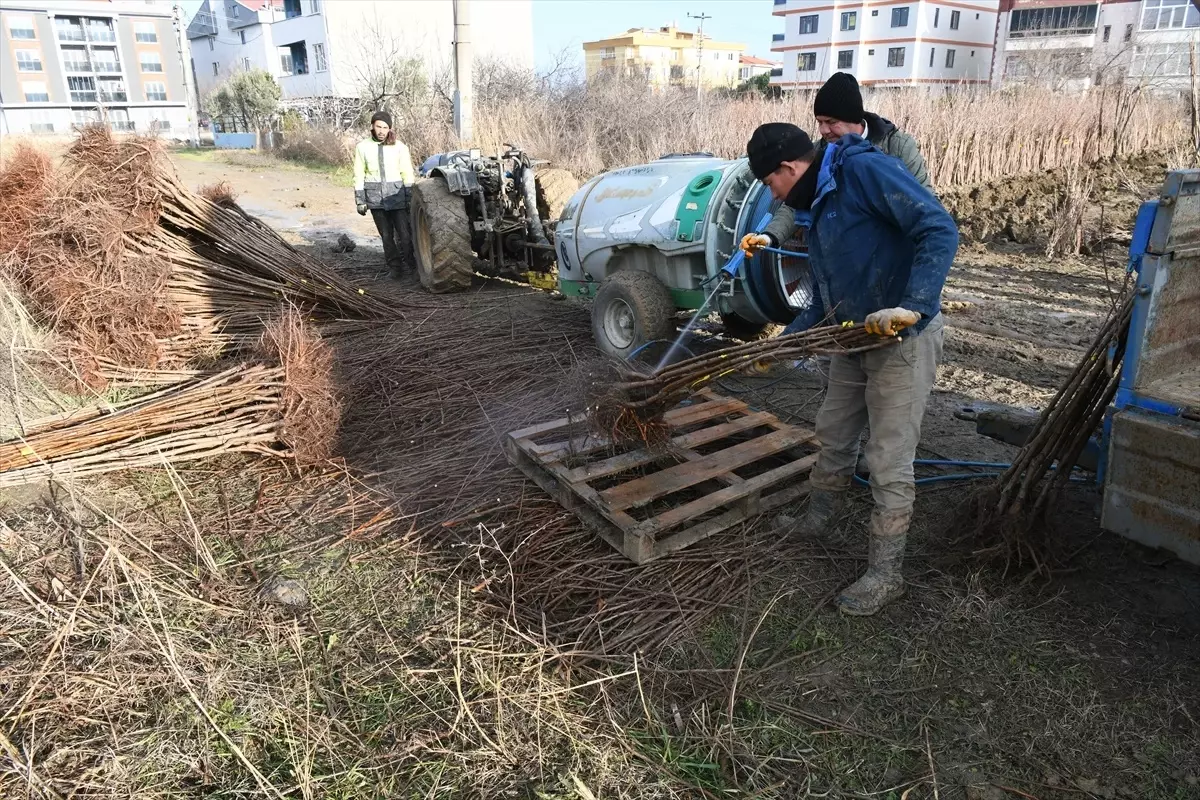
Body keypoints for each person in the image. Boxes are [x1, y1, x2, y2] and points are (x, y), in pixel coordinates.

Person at [744, 122, 958, 616]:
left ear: (788, 168)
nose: (772, 195)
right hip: (852, 334)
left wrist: (914, 305)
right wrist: (786, 342)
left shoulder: (865, 171)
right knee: (834, 431)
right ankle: (818, 515)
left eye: (769, 183)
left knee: (888, 457)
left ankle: (886, 574)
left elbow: (938, 227)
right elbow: (824, 290)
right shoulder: (816, 198)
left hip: (901, 335)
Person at [741, 71, 931, 259]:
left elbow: (925, 204)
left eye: (831, 122)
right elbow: (795, 201)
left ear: (853, 119)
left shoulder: (897, 147)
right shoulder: (818, 152)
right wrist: (770, 237)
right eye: (819, 122)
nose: (824, 130)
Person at [353, 111, 416, 278]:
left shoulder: (400, 147)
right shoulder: (362, 147)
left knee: (405, 235)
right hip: (375, 197)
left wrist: (409, 196)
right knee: (386, 236)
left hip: (397, 196)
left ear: (390, 129)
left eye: (385, 127)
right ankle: (395, 268)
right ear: (372, 126)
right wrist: (360, 199)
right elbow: (359, 174)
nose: (381, 131)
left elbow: (407, 172)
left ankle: (413, 266)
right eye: (378, 126)